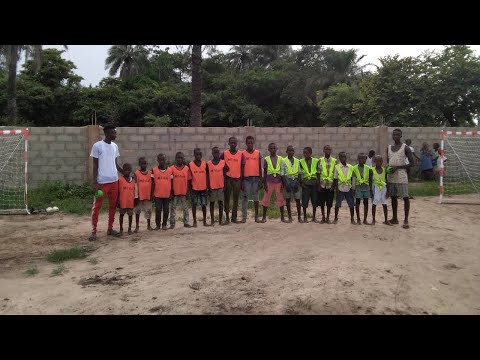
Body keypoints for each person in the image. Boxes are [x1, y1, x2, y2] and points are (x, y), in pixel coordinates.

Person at [89, 124, 124, 241]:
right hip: (102, 182)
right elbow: (94, 164)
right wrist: (95, 182)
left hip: (114, 181)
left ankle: (110, 228)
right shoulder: (97, 146)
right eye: (114, 132)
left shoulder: (114, 146)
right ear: (107, 133)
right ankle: (94, 231)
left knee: (113, 206)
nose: (115, 134)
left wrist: (124, 172)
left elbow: (115, 163)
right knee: (97, 207)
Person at [387, 128, 414, 229]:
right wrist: (388, 169)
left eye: (397, 135)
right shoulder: (389, 147)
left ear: (401, 136)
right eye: (394, 135)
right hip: (391, 177)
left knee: (405, 197)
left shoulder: (405, 148)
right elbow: (388, 161)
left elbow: (412, 163)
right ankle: (394, 218)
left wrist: (397, 167)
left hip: (401, 177)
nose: (395, 136)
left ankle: (406, 220)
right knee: (393, 197)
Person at [220, 136, 245, 224]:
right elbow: (219, 163)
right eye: (231, 143)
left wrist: (241, 181)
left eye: (235, 143)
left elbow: (242, 167)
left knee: (236, 199)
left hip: (237, 180)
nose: (233, 144)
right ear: (229, 143)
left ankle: (234, 218)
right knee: (227, 198)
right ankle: (227, 217)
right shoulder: (225, 153)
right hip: (228, 179)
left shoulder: (240, 154)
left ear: (237, 144)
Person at [260, 143, 286, 223]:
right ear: (268, 149)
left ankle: (282, 217)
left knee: (280, 199)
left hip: (278, 181)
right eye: (271, 148)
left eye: (274, 148)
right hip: (269, 181)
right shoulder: (266, 159)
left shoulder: (281, 159)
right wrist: (264, 183)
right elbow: (265, 172)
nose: (273, 150)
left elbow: (282, 172)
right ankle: (264, 217)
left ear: (277, 149)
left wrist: (283, 184)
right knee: (266, 199)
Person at [242, 136, 262, 223]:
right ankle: (244, 217)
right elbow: (241, 167)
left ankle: (256, 217)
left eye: (251, 142)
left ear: (253, 143)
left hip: (256, 179)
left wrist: (261, 180)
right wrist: (242, 180)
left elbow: (260, 167)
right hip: (246, 179)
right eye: (248, 143)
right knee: (245, 198)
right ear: (246, 143)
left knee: (256, 198)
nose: (250, 144)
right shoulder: (243, 153)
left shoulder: (258, 153)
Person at [189, 148, 211, 227]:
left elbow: (208, 176)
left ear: (201, 155)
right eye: (196, 154)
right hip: (194, 188)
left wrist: (208, 187)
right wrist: (190, 189)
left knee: (204, 205)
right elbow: (189, 178)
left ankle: (204, 221)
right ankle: (194, 221)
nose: (198, 156)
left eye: (200, 154)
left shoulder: (205, 164)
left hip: (203, 188)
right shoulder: (190, 164)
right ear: (194, 155)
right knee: (194, 205)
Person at [170, 152, 192, 229]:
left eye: (181, 158)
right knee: (173, 208)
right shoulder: (171, 169)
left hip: (183, 192)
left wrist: (188, 191)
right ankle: (172, 223)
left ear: (183, 159)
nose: (180, 159)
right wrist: (171, 191)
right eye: (178, 158)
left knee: (185, 208)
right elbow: (170, 181)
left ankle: (186, 222)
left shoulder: (186, 169)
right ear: (175, 159)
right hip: (175, 192)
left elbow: (189, 181)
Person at [333, 152, 355, 224]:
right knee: (338, 204)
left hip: (348, 188)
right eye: (341, 157)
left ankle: (352, 219)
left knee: (351, 204)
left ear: (346, 157)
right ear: (339, 158)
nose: (343, 158)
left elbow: (353, 178)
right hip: (340, 188)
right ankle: (335, 218)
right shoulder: (337, 167)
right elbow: (335, 178)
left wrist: (353, 187)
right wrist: (336, 189)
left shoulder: (351, 167)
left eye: (344, 157)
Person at [281, 145, 302, 223]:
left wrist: (297, 183)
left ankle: (299, 217)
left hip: (296, 180)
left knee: (297, 199)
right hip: (287, 180)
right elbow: (282, 174)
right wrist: (286, 184)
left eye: (292, 151)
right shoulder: (283, 160)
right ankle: (290, 217)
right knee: (288, 200)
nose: (291, 152)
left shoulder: (297, 160)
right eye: (289, 150)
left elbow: (300, 173)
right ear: (286, 152)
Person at [152, 153, 173, 231]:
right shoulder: (154, 170)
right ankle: (158, 225)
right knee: (158, 210)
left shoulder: (170, 170)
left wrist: (171, 193)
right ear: (157, 161)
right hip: (157, 194)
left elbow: (172, 182)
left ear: (165, 160)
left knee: (166, 210)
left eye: (163, 160)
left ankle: (164, 224)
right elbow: (152, 183)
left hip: (167, 194)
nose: (162, 161)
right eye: (160, 160)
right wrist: (152, 193)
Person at [207, 147, 226, 226]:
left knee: (221, 203)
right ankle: (212, 220)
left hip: (221, 186)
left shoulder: (223, 162)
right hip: (212, 187)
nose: (216, 154)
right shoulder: (208, 164)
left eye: (218, 152)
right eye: (215, 152)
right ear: (212, 153)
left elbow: (225, 174)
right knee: (212, 203)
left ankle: (220, 220)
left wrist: (224, 185)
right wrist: (208, 187)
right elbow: (207, 176)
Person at [317, 145, 336, 224]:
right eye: (326, 149)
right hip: (322, 185)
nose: (327, 150)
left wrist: (334, 186)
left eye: (329, 149)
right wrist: (318, 185)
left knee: (329, 203)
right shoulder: (320, 160)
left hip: (330, 185)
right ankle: (323, 217)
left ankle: (328, 217)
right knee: (322, 202)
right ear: (323, 150)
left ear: (331, 151)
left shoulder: (335, 161)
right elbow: (318, 174)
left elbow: (336, 175)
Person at [371, 155, 392, 226]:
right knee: (374, 203)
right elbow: (370, 181)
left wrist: (388, 190)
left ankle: (386, 220)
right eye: (376, 160)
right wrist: (371, 191)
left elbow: (386, 180)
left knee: (385, 204)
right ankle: (373, 220)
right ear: (374, 161)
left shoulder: (384, 170)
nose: (378, 162)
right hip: (376, 188)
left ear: (382, 162)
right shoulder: (372, 170)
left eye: (380, 161)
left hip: (383, 187)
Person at [299, 147, 319, 223]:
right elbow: (300, 173)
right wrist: (301, 183)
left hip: (314, 184)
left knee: (314, 201)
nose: (304, 154)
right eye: (304, 153)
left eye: (306, 153)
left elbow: (318, 172)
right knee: (304, 201)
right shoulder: (301, 162)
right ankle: (304, 217)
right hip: (306, 184)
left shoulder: (316, 161)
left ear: (310, 153)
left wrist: (318, 183)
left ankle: (314, 217)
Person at [134, 157, 153, 232]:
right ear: (139, 164)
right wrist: (136, 196)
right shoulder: (137, 173)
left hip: (147, 196)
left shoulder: (150, 173)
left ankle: (148, 225)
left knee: (148, 211)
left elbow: (152, 184)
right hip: (139, 196)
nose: (144, 165)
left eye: (145, 163)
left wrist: (151, 194)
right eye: (142, 163)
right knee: (137, 211)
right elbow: (135, 185)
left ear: (147, 164)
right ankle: (137, 226)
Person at [352, 153, 372, 225]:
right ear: (357, 159)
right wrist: (353, 189)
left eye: (363, 158)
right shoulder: (354, 168)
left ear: (365, 159)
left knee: (366, 203)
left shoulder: (368, 168)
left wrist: (371, 189)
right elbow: (353, 179)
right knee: (357, 203)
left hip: (366, 188)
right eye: (360, 158)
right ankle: (358, 219)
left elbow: (370, 179)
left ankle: (365, 219)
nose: (361, 159)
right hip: (358, 188)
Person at [118, 163, 135, 235]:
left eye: (128, 170)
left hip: (130, 202)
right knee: (121, 215)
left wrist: (135, 200)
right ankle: (121, 228)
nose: (127, 172)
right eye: (125, 170)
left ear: (131, 170)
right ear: (123, 170)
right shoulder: (120, 180)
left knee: (130, 215)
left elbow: (135, 191)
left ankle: (129, 228)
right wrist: (117, 201)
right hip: (122, 201)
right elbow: (118, 191)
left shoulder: (133, 180)